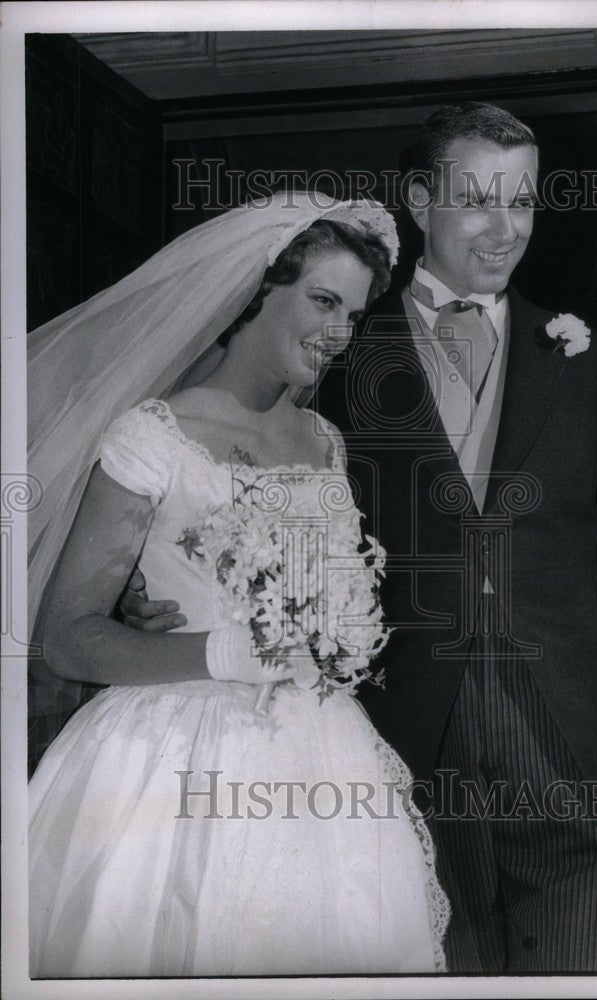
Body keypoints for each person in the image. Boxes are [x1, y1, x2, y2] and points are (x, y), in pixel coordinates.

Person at [121, 103, 597, 973]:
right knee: (439, 955)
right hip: (402, 728)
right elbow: (230, 480)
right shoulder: (336, 352)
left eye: (521, 202)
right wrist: (155, 588)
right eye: (477, 199)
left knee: (589, 954)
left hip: (569, 731)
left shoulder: (591, 361)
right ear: (417, 199)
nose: (504, 227)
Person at [26, 193, 449, 977]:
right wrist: (227, 648)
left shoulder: (325, 441)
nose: (338, 335)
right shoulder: (151, 437)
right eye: (323, 302)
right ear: (257, 288)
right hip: (169, 756)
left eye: (353, 316)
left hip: (322, 755)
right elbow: (67, 637)